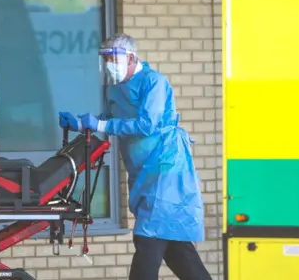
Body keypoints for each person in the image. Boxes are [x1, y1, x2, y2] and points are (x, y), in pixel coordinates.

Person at [59, 33, 212, 280]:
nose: (109, 64)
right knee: (174, 247)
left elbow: (147, 124)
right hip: (143, 170)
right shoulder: (115, 89)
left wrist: (100, 125)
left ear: (131, 58)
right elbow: (110, 120)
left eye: (113, 58)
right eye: (105, 59)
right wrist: (80, 123)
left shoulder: (154, 82)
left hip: (166, 168)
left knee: (148, 236)